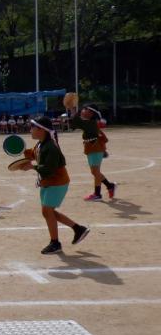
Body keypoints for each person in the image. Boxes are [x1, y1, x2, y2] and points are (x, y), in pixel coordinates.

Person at [19, 117, 89, 255]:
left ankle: (55, 243)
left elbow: (49, 170)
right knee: (48, 212)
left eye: (32, 127)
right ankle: (78, 229)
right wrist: (21, 150)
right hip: (48, 182)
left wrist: (32, 167)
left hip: (57, 182)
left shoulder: (50, 147)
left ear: (41, 130)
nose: (30, 130)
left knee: (47, 211)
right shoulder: (41, 144)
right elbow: (33, 154)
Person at [68, 104, 116, 201]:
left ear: (91, 113)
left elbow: (79, 122)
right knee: (95, 172)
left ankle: (101, 192)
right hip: (92, 147)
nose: (82, 111)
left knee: (95, 171)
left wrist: (73, 111)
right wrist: (73, 112)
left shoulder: (91, 123)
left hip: (95, 148)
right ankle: (107, 188)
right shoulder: (90, 122)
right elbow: (75, 124)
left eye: (84, 109)